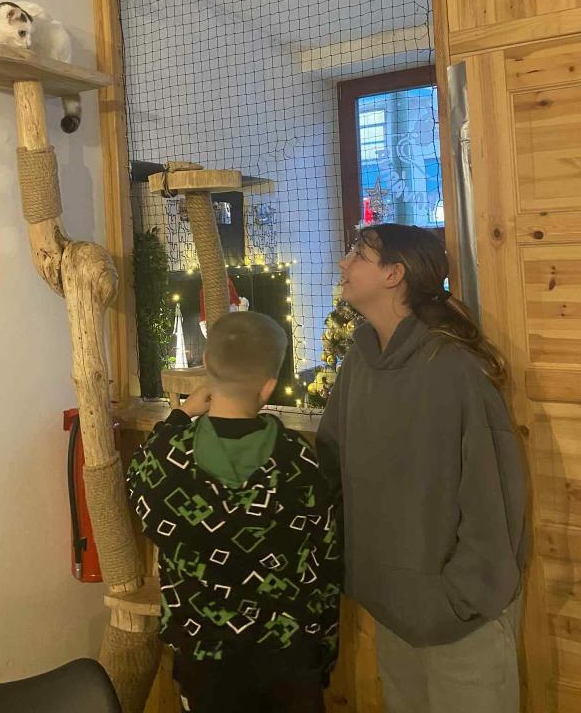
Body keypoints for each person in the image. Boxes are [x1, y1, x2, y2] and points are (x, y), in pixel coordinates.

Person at [316, 224, 526, 713]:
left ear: (395, 273)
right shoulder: (358, 365)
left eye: (358, 254)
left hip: (464, 622)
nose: (343, 264)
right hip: (392, 611)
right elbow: (330, 468)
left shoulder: (454, 367)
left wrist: (463, 596)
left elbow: (491, 494)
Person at [127, 311, 341, 713]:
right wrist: (324, 653)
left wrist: (179, 416)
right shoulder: (298, 461)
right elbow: (325, 565)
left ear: (208, 366)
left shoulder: (167, 459)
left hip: (203, 660)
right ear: (269, 387)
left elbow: (138, 486)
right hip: (289, 659)